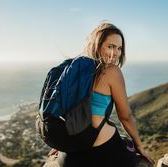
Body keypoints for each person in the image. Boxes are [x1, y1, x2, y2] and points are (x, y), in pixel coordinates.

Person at [51, 22, 155, 167]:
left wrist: (62, 142)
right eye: (110, 46)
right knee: (130, 150)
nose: (115, 53)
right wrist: (139, 146)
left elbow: (64, 109)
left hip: (69, 156)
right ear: (97, 45)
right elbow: (126, 117)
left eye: (119, 48)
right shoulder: (112, 71)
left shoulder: (74, 68)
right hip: (100, 153)